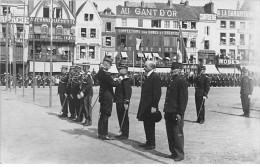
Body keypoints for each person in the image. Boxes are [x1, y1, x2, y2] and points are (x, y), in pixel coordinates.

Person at [163, 62, 188, 162]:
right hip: (169, 110)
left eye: (174, 69)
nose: (172, 70)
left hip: (176, 111)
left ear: (179, 70)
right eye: (171, 69)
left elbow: (183, 99)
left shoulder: (181, 81)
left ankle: (179, 154)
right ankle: (173, 152)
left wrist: (180, 113)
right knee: (170, 133)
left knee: (177, 133)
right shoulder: (171, 80)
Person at [137, 60, 162, 150]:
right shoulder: (148, 76)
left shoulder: (155, 77)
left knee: (150, 124)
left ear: (151, 67)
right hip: (145, 105)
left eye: (146, 66)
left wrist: (154, 106)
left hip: (151, 106)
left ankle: (152, 143)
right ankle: (148, 141)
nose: (144, 68)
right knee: (146, 123)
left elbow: (157, 93)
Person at [96, 57, 121, 140]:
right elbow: (113, 84)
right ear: (106, 64)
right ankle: (104, 134)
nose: (110, 66)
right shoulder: (105, 73)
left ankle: (100, 133)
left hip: (103, 95)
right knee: (106, 114)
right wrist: (119, 80)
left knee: (102, 114)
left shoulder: (100, 72)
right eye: (110, 64)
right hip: (107, 96)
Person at [114, 61, 132, 140]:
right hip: (119, 100)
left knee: (124, 117)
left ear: (126, 70)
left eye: (122, 69)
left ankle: (125, 133)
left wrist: (126, 101)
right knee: (120, 117)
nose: (119, 70)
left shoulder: (126, 80)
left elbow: (128, 92)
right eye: (119, 68)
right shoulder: (121, 79)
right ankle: (123, 131)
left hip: (123, 102)